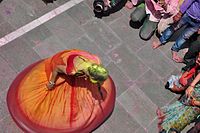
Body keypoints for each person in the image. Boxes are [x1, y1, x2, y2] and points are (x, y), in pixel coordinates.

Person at [7, 49, 116, 133]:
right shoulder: (72, 70)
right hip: (63, 63)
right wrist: (52, 83)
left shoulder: (96, 61)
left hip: (76, 58)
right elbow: (57, 69)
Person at [157, 52, 200, 133]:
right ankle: (167, 128)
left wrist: (195, 102)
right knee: (180, 107)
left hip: (196, 104)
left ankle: (171, 130)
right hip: (195, 93)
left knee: (184, 117)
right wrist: (192, 86)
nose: (198, 59)